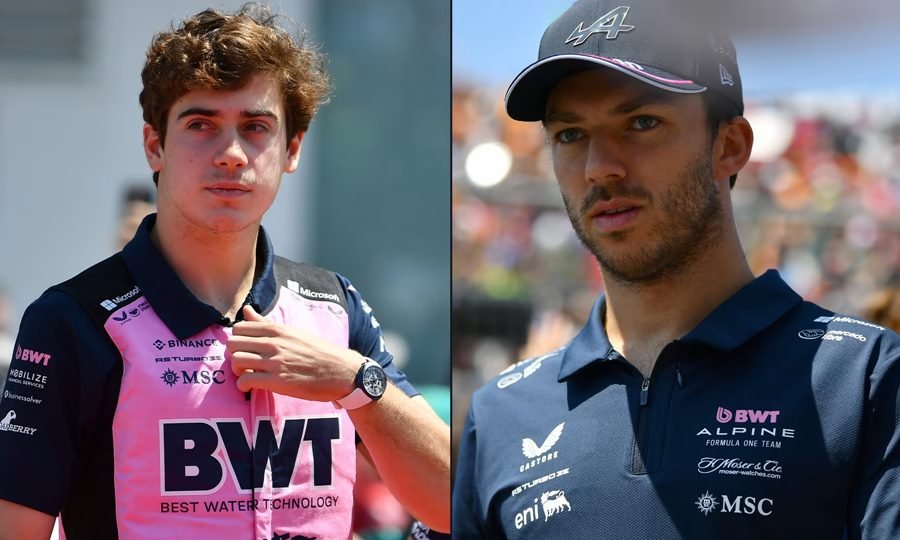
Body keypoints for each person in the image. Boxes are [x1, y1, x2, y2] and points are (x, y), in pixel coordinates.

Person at [452, 0, 900, 538]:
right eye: (571, 134)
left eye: (642, 122)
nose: (600, 168)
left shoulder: (864, 376)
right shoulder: (502, 412)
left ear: (729, 146)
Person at [0, 5, 450, 539]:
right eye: (201, 124)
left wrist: (353, 382)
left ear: (292, 149)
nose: (232, 154)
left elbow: (451, 503)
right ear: (155, 146)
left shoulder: (333, 306)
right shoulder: (69, 320)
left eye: (256, 126)